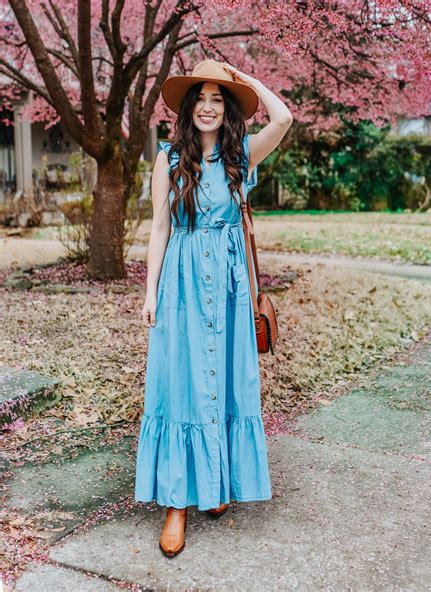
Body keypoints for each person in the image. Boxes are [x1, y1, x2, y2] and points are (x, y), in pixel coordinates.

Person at [134, 58, 293, 558]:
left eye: (217, 98)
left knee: (222, 381)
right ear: (187, 108)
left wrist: (245, 82)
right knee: (180, 383)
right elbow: (159, 229)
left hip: (226, 287)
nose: (207, 106)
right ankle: (177, 503)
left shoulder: (240, 155)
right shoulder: (167, 158)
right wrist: (150, 291)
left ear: (228, 109)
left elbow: (284, 119)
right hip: (181, 282)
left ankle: (215, 480)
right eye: (200, 98)